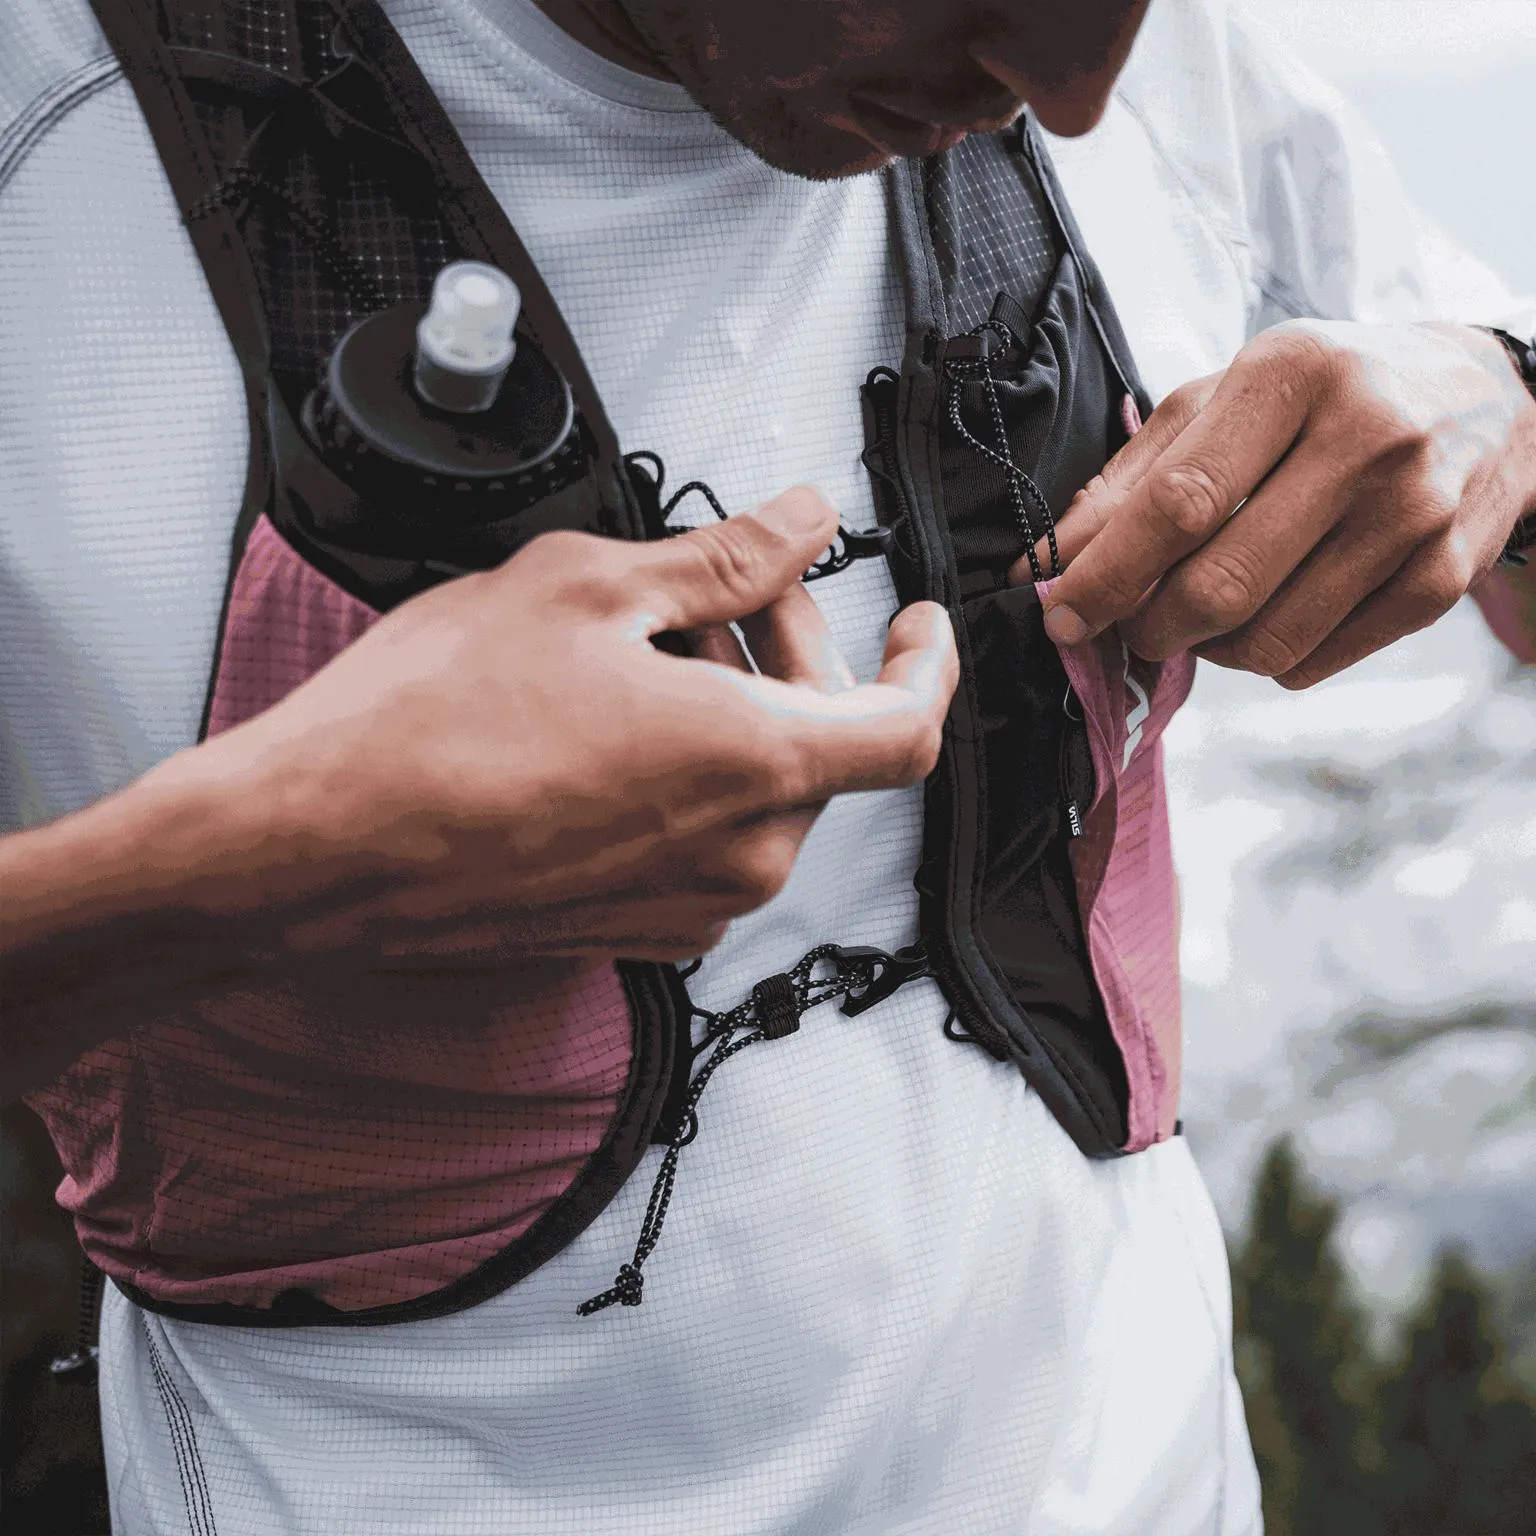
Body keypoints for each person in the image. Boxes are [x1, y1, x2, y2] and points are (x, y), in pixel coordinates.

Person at [1, 0, 1532, 1531]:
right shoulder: (51, 147)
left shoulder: (1134, 54)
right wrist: (271, 860)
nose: (1067, 95)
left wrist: (1501, 400)